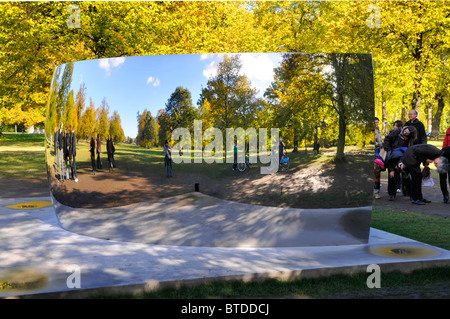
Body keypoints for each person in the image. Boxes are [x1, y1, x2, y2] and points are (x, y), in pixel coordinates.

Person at [381, 126, 417, 201]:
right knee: (392, 175)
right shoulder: (396, 132)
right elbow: (387, 140)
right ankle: (391, 194)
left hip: (404, 158)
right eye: (405, 132)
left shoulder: (411, 140)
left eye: (407, 134)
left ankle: (409, 193)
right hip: (393, 157)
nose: (405, 133)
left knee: (406, 176)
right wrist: (389, 150)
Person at [374, 117, 383, 199]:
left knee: (378, 170)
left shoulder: (378, 129)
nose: (376, 124)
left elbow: (380, 141)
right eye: (375, 122)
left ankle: (377, 191)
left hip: (378, 150)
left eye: (377, 122)